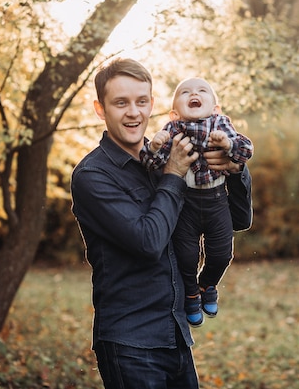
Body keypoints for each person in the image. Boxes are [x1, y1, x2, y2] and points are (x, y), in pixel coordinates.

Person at [70, 58, 253, 389]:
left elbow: (239, 219)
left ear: (153, 104)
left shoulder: (170, 154)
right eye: (120, 103)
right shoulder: (93, 176)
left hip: (176, 335)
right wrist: (173, 174)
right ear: (101, 109)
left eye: (141, 102)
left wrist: (235, 169)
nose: (134, 113)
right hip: (131, 343)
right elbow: (148, 241)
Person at [140, 77, 253, 327]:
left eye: (203, 90)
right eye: (186, 92)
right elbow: (150, 164)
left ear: (216, 108)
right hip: (186, 203)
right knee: (186, 255)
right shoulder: (171, 131)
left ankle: (208, 284)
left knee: (222, 254)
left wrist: (228, 145)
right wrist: (155, 147)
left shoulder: (222, 124)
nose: (195, 93)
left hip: (216, 200)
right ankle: (191, 292)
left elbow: (246, 150)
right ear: (174, 112)